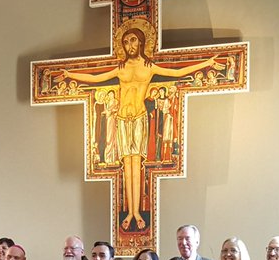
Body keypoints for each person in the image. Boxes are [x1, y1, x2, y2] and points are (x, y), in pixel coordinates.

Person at [62, 28, 219, 232]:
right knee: (127, 166)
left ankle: (135, 212)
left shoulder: (149, 67)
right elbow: (95, 77)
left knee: (136, 165)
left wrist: (206, 63)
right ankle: (130, 212)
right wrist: (69, 74)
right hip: (121, 119)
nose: (130, 45)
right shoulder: (120, 68)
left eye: (133, 40)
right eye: (126, 42)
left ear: (142, 42)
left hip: (139, 118)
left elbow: (177, 72)